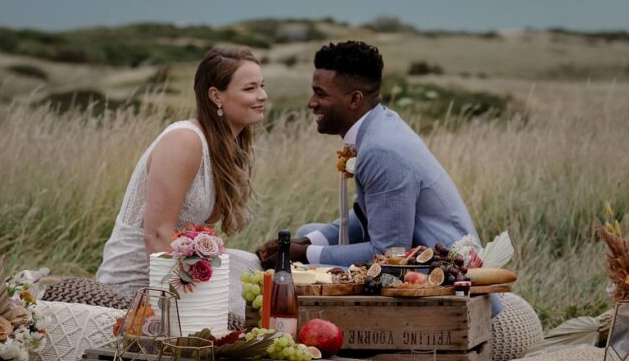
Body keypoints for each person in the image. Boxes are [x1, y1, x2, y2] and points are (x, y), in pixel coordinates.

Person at [257, 40, 484, 270]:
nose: (311, 103)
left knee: (304, 269)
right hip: (413, 256)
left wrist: (305, 255)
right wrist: (308, 243)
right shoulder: (380, 124)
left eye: (320, 94)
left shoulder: (381, 150)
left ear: (355, 99)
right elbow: (373, 214)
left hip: (447, 275)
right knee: (309, 232)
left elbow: (389, 256)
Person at [97, 46, 265, 319]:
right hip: (138, 288)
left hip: (177, 275)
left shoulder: (226, 148)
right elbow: (158, 235)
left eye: (262, 86)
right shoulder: (184, 140)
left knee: (251, 267)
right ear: (216, 95)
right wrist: (187, 309)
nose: (262, 96)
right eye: (250, 89)